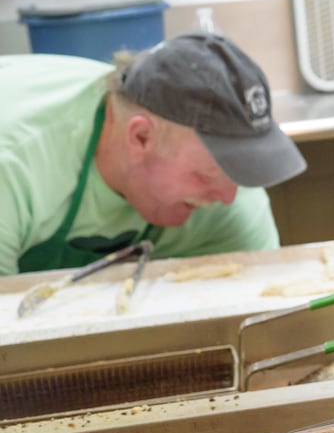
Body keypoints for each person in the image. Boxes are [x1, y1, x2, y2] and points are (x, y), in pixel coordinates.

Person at [0, 31, 306, 275]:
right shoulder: (16, 163)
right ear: (141, 137)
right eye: (205, 175)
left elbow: (256, 315)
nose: (226, 197)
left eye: (237, 171)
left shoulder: (234, 205)